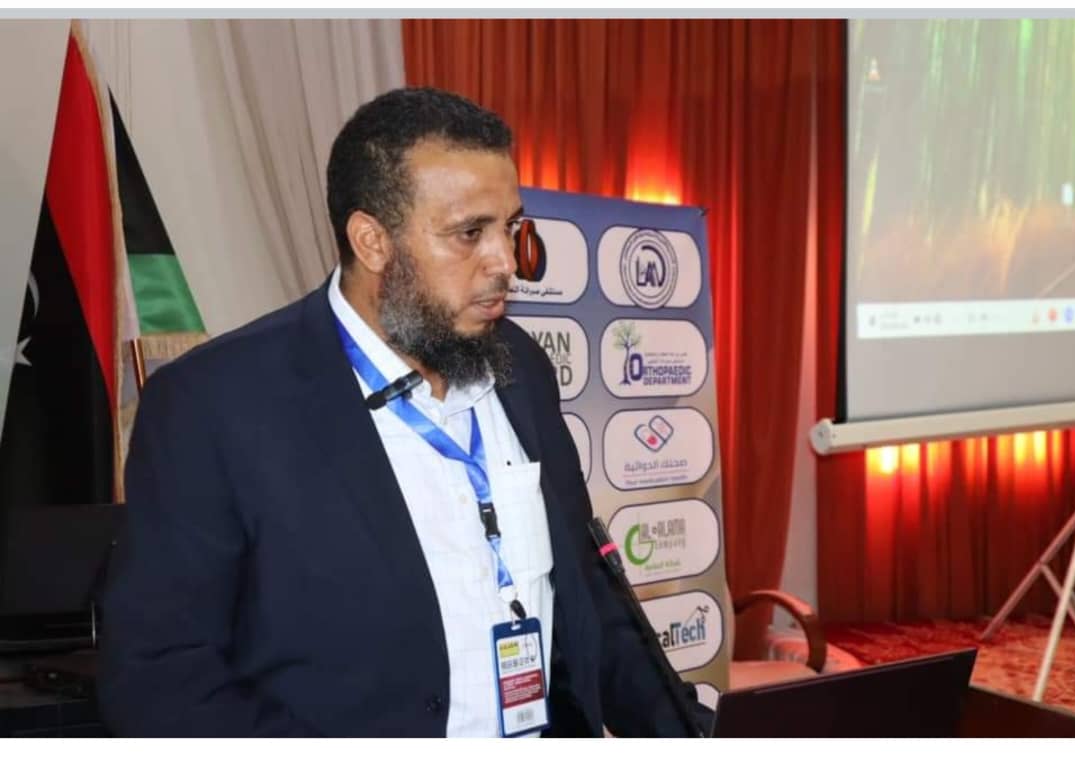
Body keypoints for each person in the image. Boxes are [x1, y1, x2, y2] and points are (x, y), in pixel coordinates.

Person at [99, 87, 711, 737]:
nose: (506, 263)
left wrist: (691, 732)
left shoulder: (523, 369)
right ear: (372, 241)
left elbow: (589, 599)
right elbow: (161, 680)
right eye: (470, 233)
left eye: (510, 228)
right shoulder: (214, 405)